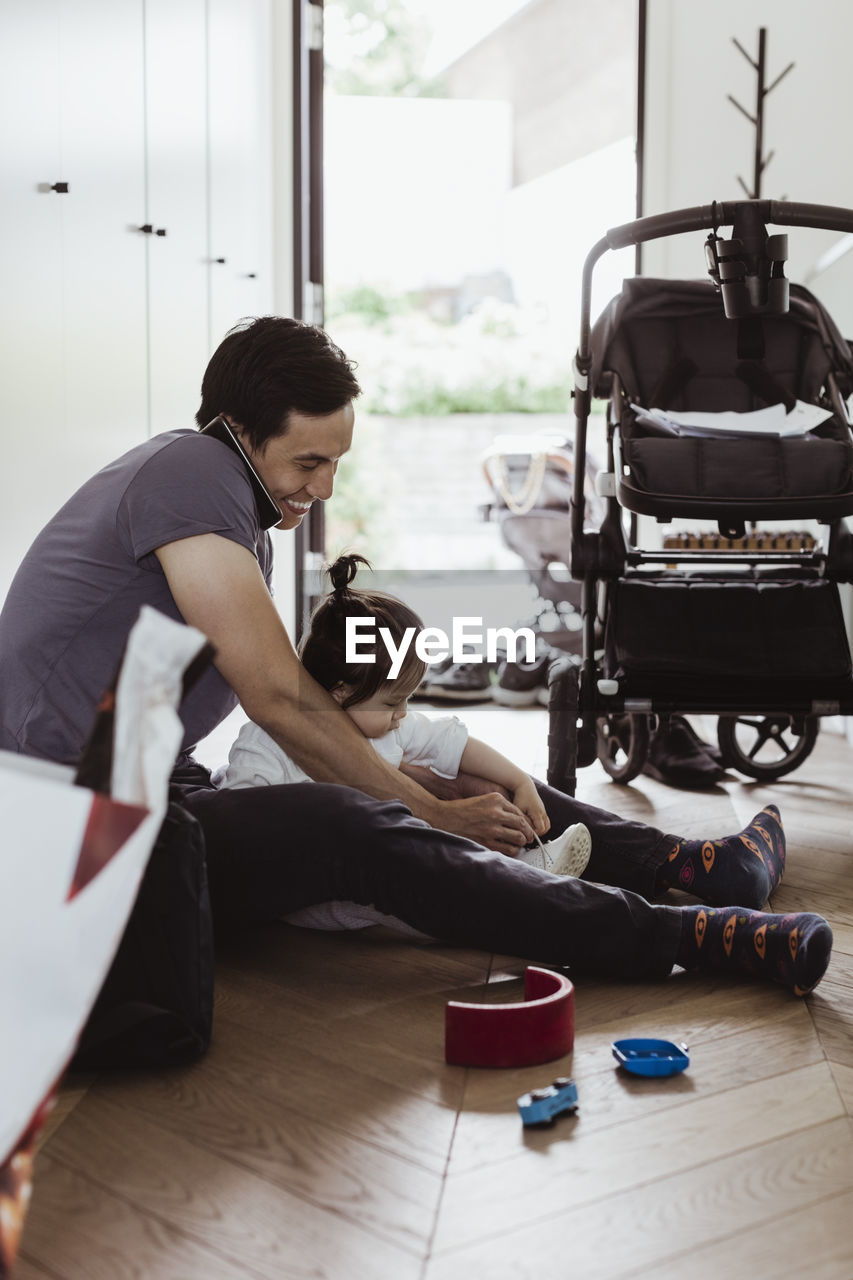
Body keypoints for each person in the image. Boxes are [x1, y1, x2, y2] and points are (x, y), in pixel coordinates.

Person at [0, 317, 832, 999]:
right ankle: (686, 935)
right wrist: (421, 811)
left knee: (427, 774)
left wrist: (424, 783)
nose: (322, 488)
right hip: (73, 831)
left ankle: (692, 865)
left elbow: (297, 707)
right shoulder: (191, 470)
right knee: (358, 823)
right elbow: (277, 698)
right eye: (307, 462)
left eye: (335, 462)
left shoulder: (224, 505)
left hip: (153, 795)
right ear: (236, 434)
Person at [215, 552, 593, 934]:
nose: (403, 713)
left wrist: (519, 782)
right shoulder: (266, 743)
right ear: (341, 693)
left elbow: (453, 742)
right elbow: (244, 824)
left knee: (442, 831)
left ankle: (523, 871)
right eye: (394, 702)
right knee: (424, 869)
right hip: (315, 892)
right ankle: (509, 892)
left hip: (385, 867)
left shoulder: (390, 727)